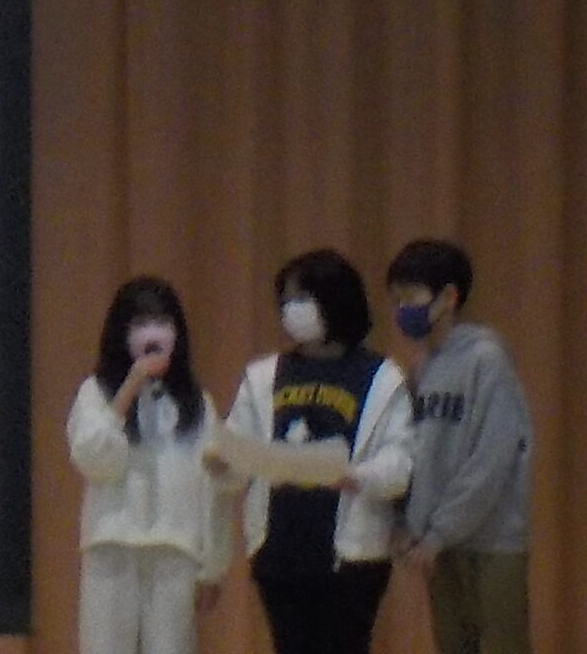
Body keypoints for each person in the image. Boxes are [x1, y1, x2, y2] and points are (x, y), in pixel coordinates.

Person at [222, 249, 416, 654]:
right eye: (286, 300)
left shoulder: (382, 378)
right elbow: (238, 446)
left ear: (334, 300)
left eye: (302, 299)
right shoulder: (264, 376)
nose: (291, 310)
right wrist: (222, 461)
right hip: (278, 550)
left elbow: (400, 462)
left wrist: (358, 477)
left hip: (350, 556)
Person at [68, 275, 233, 654]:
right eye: (141, 323)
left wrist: (214, 565)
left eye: (162, 322)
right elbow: (94, 461)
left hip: (174, 551)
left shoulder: (196, 403)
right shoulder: (96, 392)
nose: (153, 332)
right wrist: (130, 387)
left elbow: (214, 488)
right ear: (122, 333)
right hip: (112, 548)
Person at [384, 239, 533, 654]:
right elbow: (417, 456)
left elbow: (492, 460)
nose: (402, 310)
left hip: (491, 542)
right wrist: (409, 525)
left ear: (449, 297)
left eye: (411, 297)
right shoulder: (421, 369)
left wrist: (441, 531)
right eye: (397, 300)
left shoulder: (487, 360)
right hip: (442, 545)